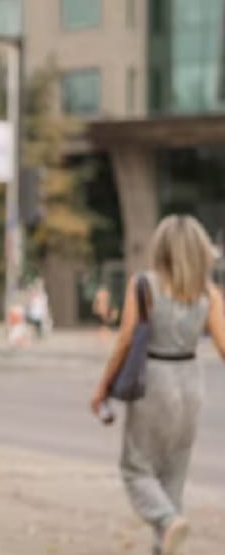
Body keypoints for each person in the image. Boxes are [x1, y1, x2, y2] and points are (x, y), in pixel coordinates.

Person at [90, 215, 225, 555]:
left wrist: (102, 388)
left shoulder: (144, 285)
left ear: (160, 249)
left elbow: (124, 342)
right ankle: (164, 542)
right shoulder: (208, 293)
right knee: (174, 473)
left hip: (154, 381)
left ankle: (165, 520)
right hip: (192, 383)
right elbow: (224, 346)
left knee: (136, 468)